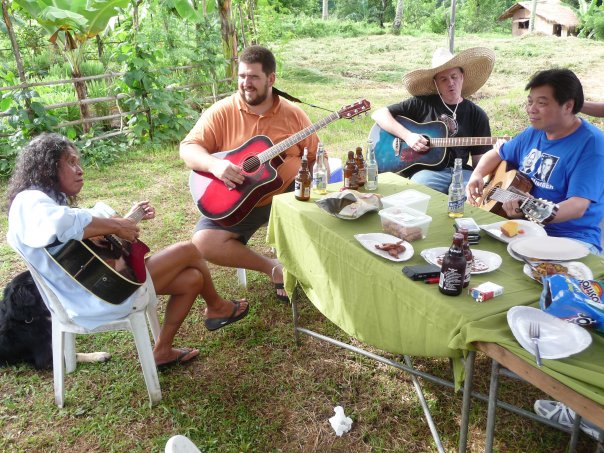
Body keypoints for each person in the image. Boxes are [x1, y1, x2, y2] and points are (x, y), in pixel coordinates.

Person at [7, 133, 249, 369]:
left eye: (78, 162)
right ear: (48, 166)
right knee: (188, 249)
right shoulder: (28, 201)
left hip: (100, 288)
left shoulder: (48, 203)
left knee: (191, 279)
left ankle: (163, 350)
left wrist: (125, 221)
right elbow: (62, 223)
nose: (79, 170)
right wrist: (116, 225)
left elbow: (83, 239)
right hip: (97, 297)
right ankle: (217, 307)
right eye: (71, 162)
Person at [180, 45, 319, 303]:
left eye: (254, 77)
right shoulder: (222, 111)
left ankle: (309, 267)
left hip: (286, 197)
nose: (246, 83)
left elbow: (315, 156)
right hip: (239, 199)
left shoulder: (293, 114)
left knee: (322, 225)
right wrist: (216, 166)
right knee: (204, 242)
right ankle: (274, 268)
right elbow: (188, 148)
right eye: (242, 76)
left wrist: (306, 187)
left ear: (271, 79)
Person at [466, 68, 604, 254]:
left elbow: (578, 206)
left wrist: (528, 208)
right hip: (524, 230)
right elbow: (498, 154)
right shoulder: (534, 131)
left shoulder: (592, 144)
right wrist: (477, 175)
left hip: (571, 239)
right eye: (530, 102)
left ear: (568, 106)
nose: (531, 109)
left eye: (541, 103)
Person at [371, 47, 495, 193]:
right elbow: (379, 114)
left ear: (462, 77)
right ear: (436, 83)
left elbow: (479, 162)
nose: (450, 83)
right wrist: (408, 136)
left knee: (478, 195)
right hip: (427, 173)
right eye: (443, 79)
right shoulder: (422, 103)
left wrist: (480, 178)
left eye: (454, 76)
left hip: (461, 172)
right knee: (416, 191)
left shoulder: (477, 115)